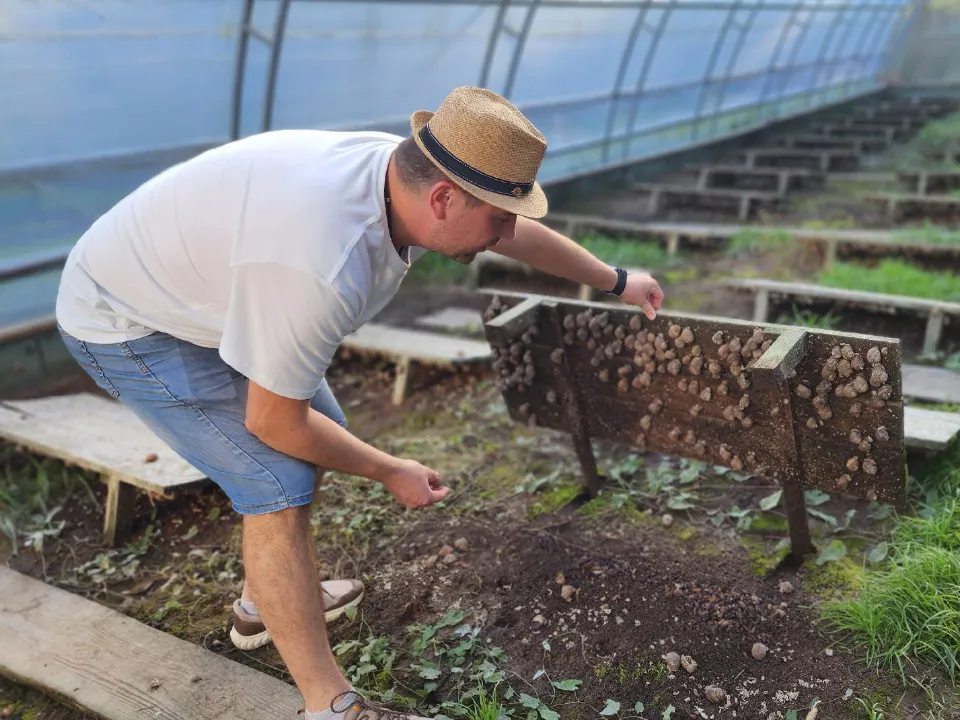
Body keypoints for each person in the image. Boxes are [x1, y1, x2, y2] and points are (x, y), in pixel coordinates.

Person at [54, 86, 664, 719]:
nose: (507, 232)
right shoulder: (322, 261)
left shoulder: (407, 170)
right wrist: (388, 469)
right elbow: (275, 421)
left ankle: (260, 607)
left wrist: (614, 280)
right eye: (499, 217)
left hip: (198, 290)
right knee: (279, 474)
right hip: (124, 319)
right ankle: (330, 703)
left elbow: (509, 235)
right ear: (444, 199)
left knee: (327, 431)